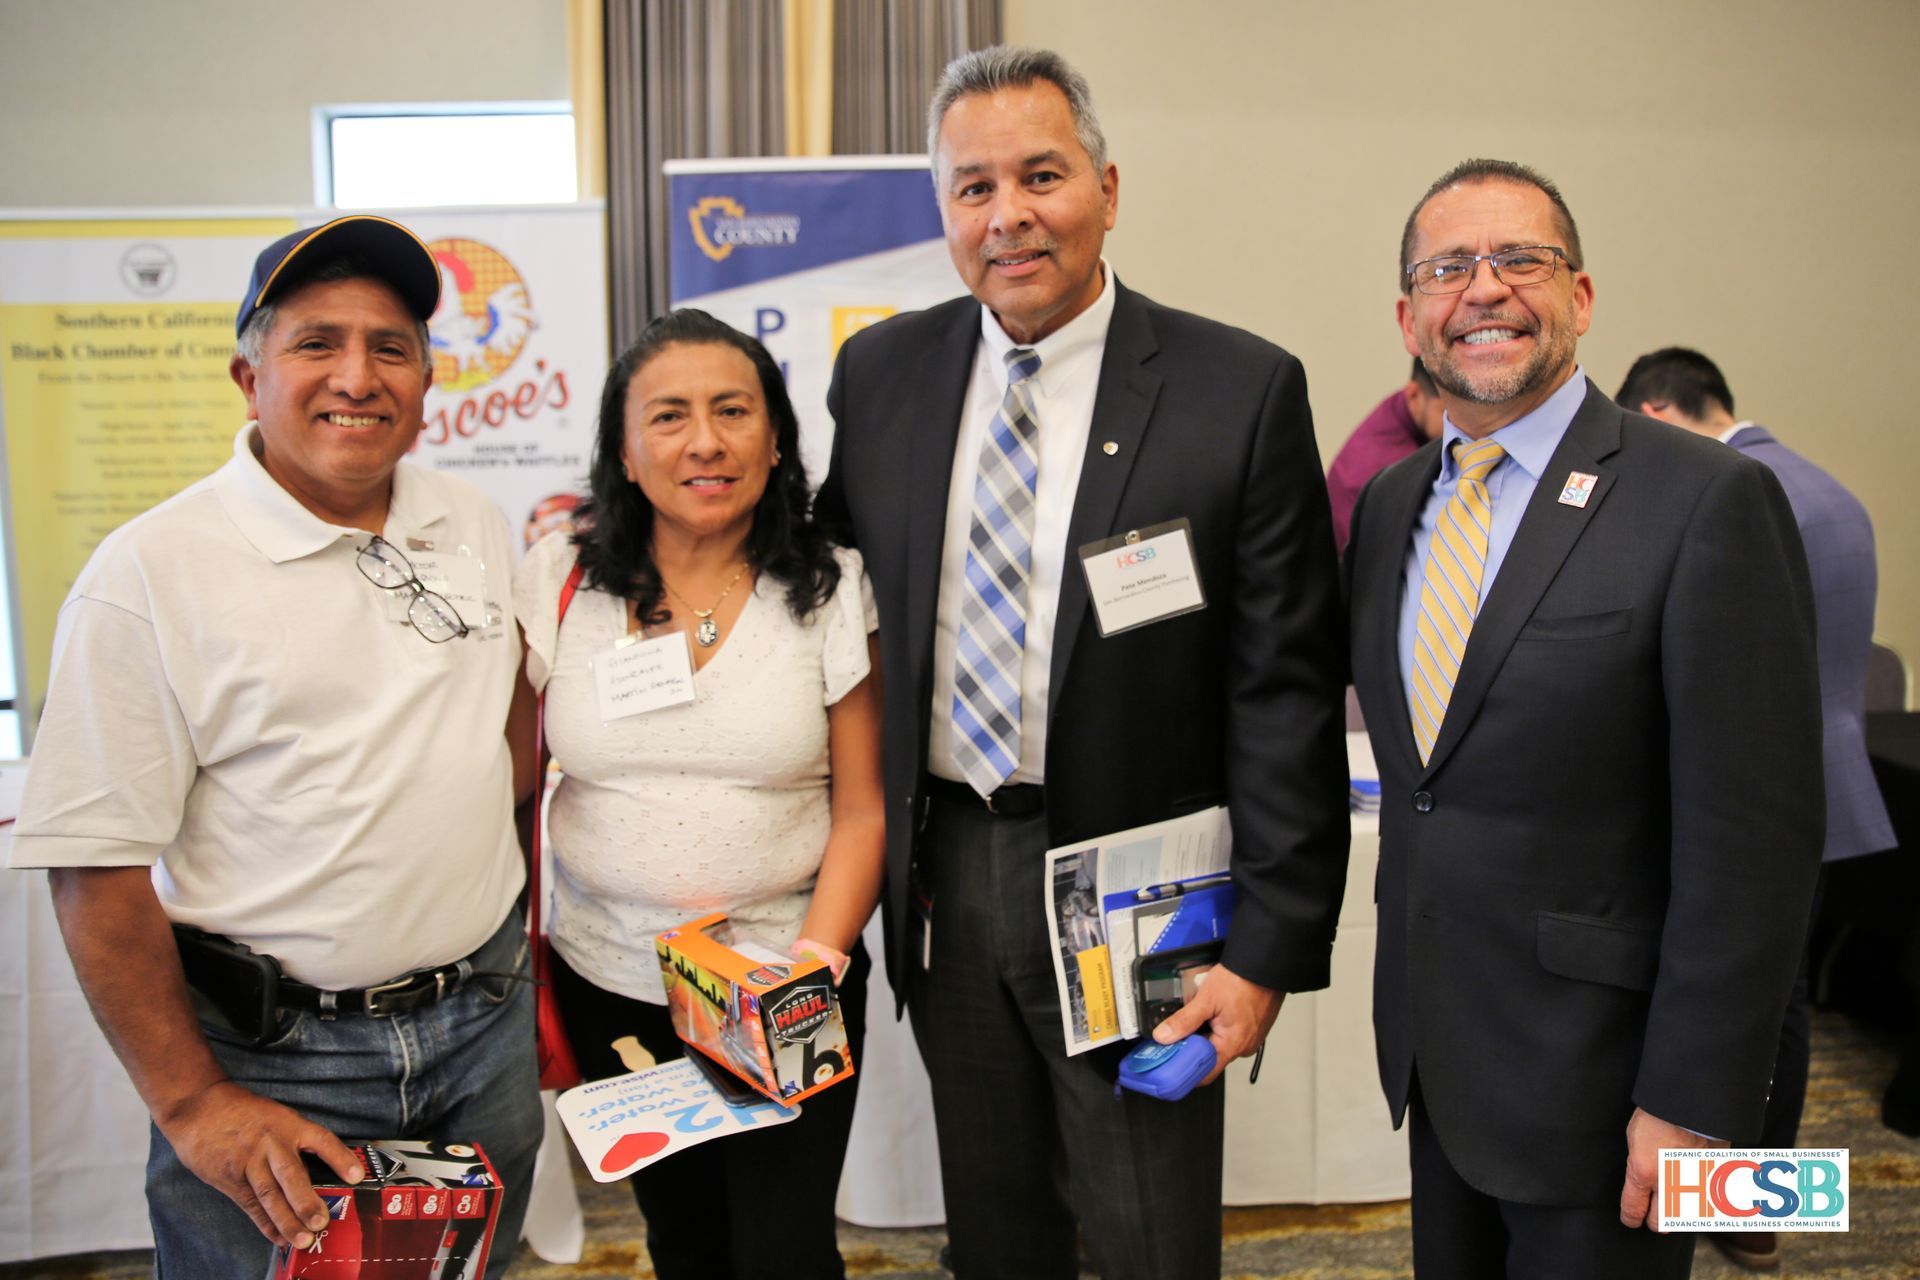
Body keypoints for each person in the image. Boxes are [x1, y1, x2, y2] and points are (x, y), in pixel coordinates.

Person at [815, 45, 1348, 1280]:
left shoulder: (1239, 388)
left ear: (1108, 186)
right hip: (949, 869)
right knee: (997, 1231)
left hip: (1143, 888)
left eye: (1041, 175)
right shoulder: (883, 375)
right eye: (972, 187)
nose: (1008, 215)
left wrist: (1267, 945)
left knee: (1150, 1232)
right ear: (943, 211)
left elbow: (1283, 691)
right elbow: (834, 602)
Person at [6, 215, 542, 1278]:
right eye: (316, 343)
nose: (359, 373)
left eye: (391, 346)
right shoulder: (148, 575)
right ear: (248, 376)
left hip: (483, 1024)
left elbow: (502, 733)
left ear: (429, 380)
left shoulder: (471, 517)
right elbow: (96, 865)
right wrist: (194, 1101)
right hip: (279, 1064)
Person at [1343, 160, 1824, 1278]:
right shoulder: (1392, 506)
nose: (1485, 288)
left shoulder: (1704, 499)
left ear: (1584, 296)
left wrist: (1695, 1103)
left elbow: (1753, 846)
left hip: (1614, 1101)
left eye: (1521, 258)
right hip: (1440, 1069)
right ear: (1408, 313)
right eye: (1448, 267)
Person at [513, 308, 885, 1280]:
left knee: (785, 1250)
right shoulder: (562, 577)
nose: (706, 441)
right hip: (613, 981)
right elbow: (515, 783)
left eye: (733, 410)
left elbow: (865, 807)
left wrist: (810, 965)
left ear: (775, 440)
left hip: (787, 982)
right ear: (626, 450)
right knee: (684, 1244)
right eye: (670, 416)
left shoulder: (833, 582)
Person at [1617, 345, 1894, 1271]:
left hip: (1758, 793)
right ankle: (1756, 1208)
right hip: (1836, 774)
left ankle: (1743, 1209)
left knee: (1759, 1003)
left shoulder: (1735, 492)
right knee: (1787, 996)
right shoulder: (1830, 489)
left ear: (1654, 416)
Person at [1326, 357, 1447, 554]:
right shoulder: (1387, 466)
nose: (1459, 421)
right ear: (1414, 395)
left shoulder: (1401, 408)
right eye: (1446, 411)